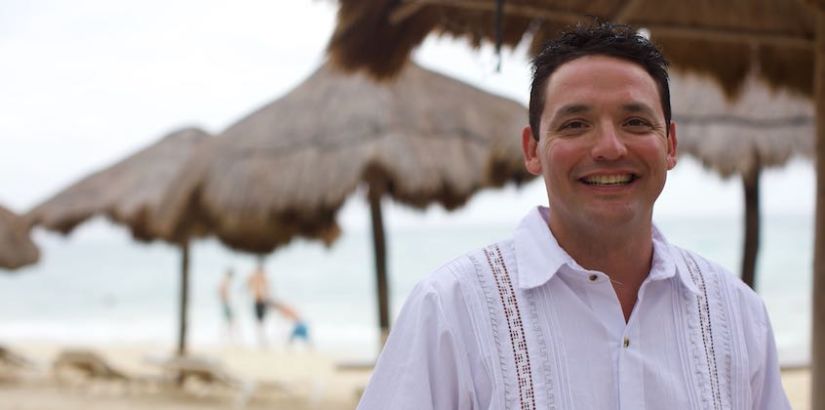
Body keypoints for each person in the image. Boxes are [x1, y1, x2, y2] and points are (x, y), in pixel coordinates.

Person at [357, 22, 790, 409]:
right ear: (532, 150)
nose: (609, 147)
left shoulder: (737, 314)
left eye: (635, 122)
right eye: (575, 124)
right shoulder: (450, 310)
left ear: (670, 145)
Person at [247, 259, 271, 347]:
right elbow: (267, 288)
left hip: (260, 300)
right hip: (259, 300)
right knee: (260, 321)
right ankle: (260, 339)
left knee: (260, 321)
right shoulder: (260, 277)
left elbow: (266, 288)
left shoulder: (257, 277)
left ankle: (261, 339)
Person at [218, 268, 237, 341]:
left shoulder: (225, 281)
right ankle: (227, 337)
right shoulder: (225, 281)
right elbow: (222, 292)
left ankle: (226, 336)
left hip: (226, 303)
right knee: (230, 320)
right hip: (226, 303)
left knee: (228, 320)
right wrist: (226, 301)